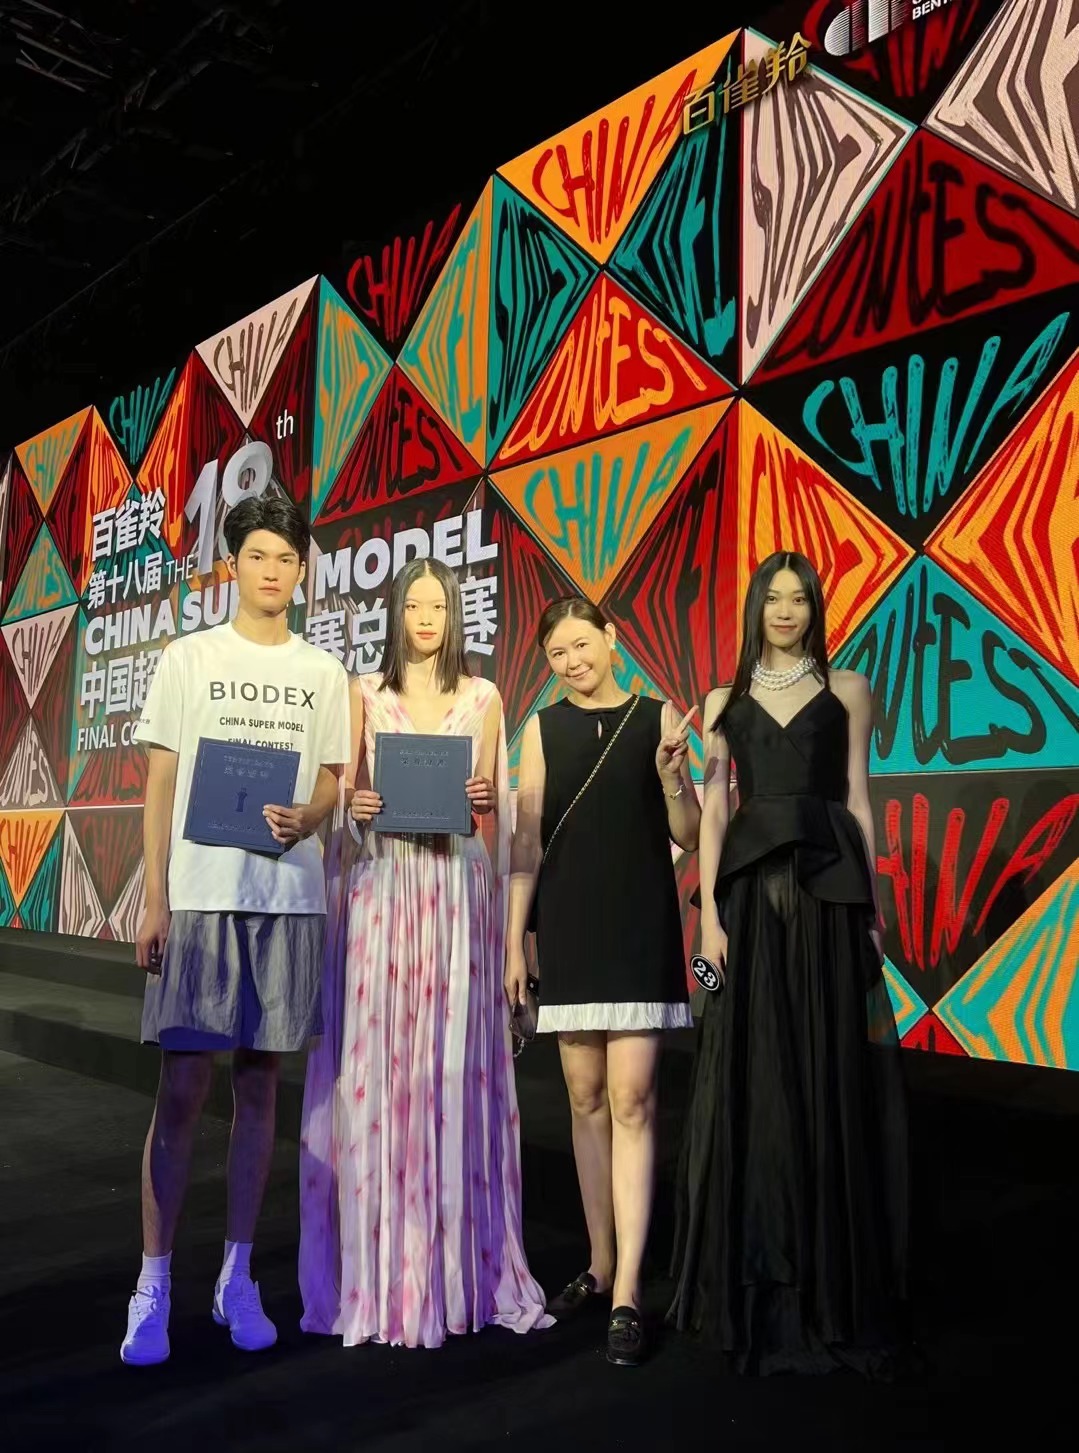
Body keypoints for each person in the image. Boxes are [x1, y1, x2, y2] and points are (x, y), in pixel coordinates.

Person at [120, 494, 352, 1366]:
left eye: (286, 558)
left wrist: (312, 816)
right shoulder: (190, 657)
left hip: (288, 897)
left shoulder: (321, 670)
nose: (271, 571)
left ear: (302, 569)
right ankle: (152, 1282)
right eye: (257, 555)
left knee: (259, 1089)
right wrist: (155, 897)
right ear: (233, 565)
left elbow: (331, 776)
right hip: (201, 895)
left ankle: (237, 1275)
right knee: (183, 1087)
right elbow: (160, 781)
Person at [667, 550, 909, 1375]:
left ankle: (827, 1276)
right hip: (747, 906)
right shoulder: (721, 701)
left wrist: (871, 906)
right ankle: (760, 1272)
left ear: (814, 607)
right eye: (771, 597)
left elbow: (857, 798)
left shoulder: (848, 690)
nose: (783, 609)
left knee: (825, 1069)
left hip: (828, 897)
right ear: (754, 607)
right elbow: (712, 813)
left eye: (797, 598)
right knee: (756, 1074)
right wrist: (708, 924)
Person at [298, 557, 550, 1348]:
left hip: (453, 897)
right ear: (396, 612)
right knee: (381, 1072)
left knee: (448, 1072)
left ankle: (454, 1274)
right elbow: (342, 803)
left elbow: (495, 812)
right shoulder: (363, 694)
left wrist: (482, 799)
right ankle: (381, 1274)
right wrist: (357, 806)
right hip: (384, 890)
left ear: (454, 614)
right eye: (415, 604)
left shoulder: (484, 697)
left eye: (439, 605)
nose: (427, 617)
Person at [506, 597, 700, 1367]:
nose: (571, 661)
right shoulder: (541, 728)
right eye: (556, 652)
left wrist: (673, 778)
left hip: (638, 931)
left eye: (581, 644)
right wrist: (515, 940)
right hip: (568, 930)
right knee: (584, 1099)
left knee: (631, 1100)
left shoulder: (656, 719)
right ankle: (597, 1260)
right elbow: (525, 841)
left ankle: (627, 1291)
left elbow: (688, 833)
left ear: (612, 639)